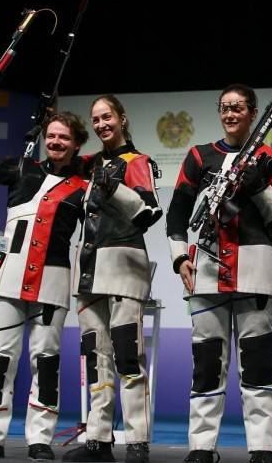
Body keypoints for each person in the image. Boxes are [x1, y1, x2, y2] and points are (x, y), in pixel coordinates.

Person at [166, 84, 272, 463]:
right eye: (224, 107)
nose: (230, 113)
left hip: (258, 272)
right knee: (207, 364)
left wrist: (257, 187)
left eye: (238, 107)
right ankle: (201, 447)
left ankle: (262, 449)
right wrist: (179, 257)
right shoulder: (199, 156)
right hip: (206, 271)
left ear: (254, 113)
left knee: (257, 364)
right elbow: (177, 213)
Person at [0, 106, 90, 461]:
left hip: (53, 281)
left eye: (64, 137)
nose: (55, 141)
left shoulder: (84, 186)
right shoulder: (21, 168)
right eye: (51, 135)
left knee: (46, 361)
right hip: (7, 276)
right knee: (0, 358)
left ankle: (40, 439)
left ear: (76, 144)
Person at [63, 95, 162, 463]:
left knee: (128, 357)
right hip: (88, 270)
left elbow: (149, 212)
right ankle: (98, 440)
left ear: (122, 118)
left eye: (107, 117)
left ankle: (137, 442)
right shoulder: (88, 164)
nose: (102, 124)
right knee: (96, 359)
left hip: (123, 267)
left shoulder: (138, 162)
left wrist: (114, 187)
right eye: (96, 119)